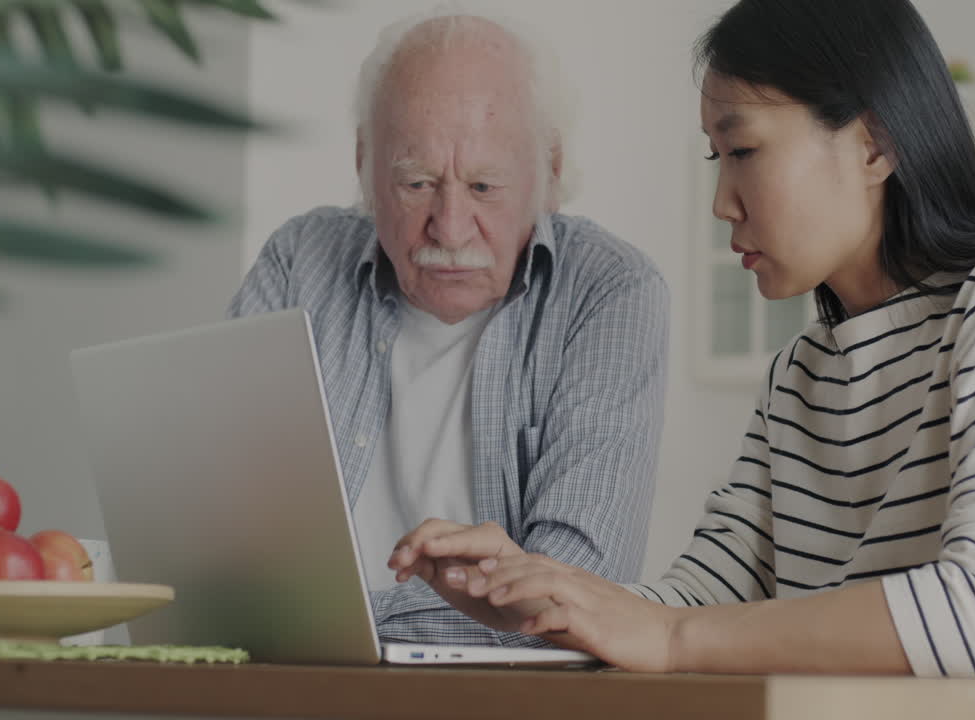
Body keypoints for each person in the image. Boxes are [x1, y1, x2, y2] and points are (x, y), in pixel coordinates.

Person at [387, 0, 975, 679]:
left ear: (874, 143)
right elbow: (688, 601)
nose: (721, 201)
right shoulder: (802, 375)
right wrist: (530, 595)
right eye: (715, 159)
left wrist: (673, 636)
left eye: (745, 150)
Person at [230, 12, 669, 645]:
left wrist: (324, 627)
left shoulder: (610, 291)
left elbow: (569, 603)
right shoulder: (300, 259)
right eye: (416, 183)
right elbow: (221, 549)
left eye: (484, 186)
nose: (451, 227)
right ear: (364, 164)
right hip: (287, 695)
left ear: (549, 170)